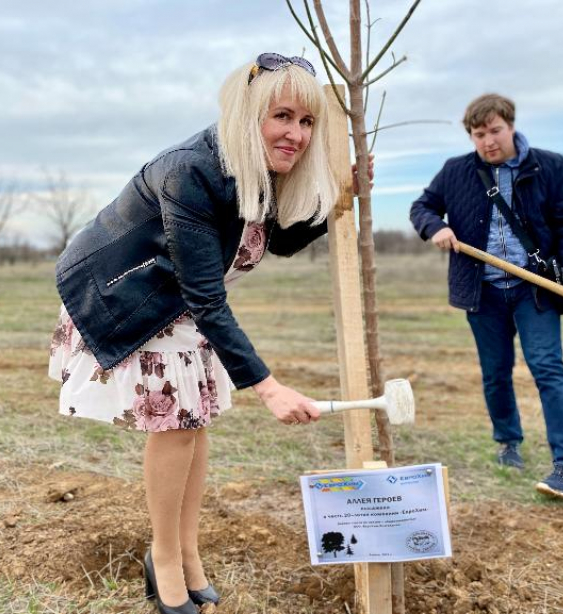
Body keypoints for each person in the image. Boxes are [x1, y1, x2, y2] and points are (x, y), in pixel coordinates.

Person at [49, 53, 367, 614]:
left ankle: (185, 551)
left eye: (307, 122)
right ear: (249, 114)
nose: (296, 134)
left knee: (192, 424)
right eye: (283, 116)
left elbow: (279, 241)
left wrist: (342, 199)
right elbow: (205, 296)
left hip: (179, 301)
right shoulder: (191, 171)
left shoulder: (257, 169)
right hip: (130, 296)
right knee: (174, 425)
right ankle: (165, 557)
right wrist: (268, 387)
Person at [409, 93, 563, 500]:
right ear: (471, 137)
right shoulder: (456, 171)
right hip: (483, 291)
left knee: (548, 368)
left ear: (510, 125)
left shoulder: (551, 166)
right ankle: (508, 443)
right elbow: (421, 206)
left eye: (495, 130)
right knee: (495, 373)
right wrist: (434, 227)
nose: (489, 141)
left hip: (535, 289)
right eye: (480, 134)